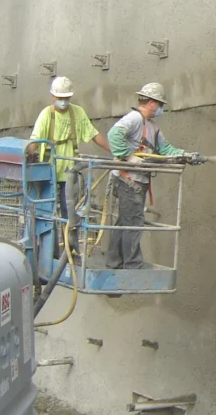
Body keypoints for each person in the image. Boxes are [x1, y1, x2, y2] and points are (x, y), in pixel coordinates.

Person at [105, 82, 204, 270]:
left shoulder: (152, 126)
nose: (161, 108)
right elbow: (114, 135)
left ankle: (114, 260)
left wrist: (184, 155)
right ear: (151, 102)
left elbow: (165, 148)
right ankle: (132, 264)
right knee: (134, 222)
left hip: (137, 181)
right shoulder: (134, 118)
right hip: (129, 179)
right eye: (160, 104)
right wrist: (129, 157)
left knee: (125, 221)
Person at [30, 76, 110, 255]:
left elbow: (93, 134)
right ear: (53, 97)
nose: (63, 102)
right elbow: (34, 140)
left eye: (66, 98)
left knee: (69, 216)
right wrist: (29, 157)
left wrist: (113, 152)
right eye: (60, 98)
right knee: (47, 214)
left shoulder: (77, 113)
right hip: (48, 173)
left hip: (69, 173)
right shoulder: (46, 115)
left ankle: (69, 252)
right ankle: (49, 254)